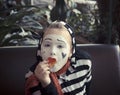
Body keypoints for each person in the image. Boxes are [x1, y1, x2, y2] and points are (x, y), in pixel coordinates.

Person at [25, 21, 92, 95]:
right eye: (47, 45)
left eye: (60, 46)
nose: (52, 52)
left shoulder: (84, 62)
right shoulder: (33, 75)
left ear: (71, 51)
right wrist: (46, 83)